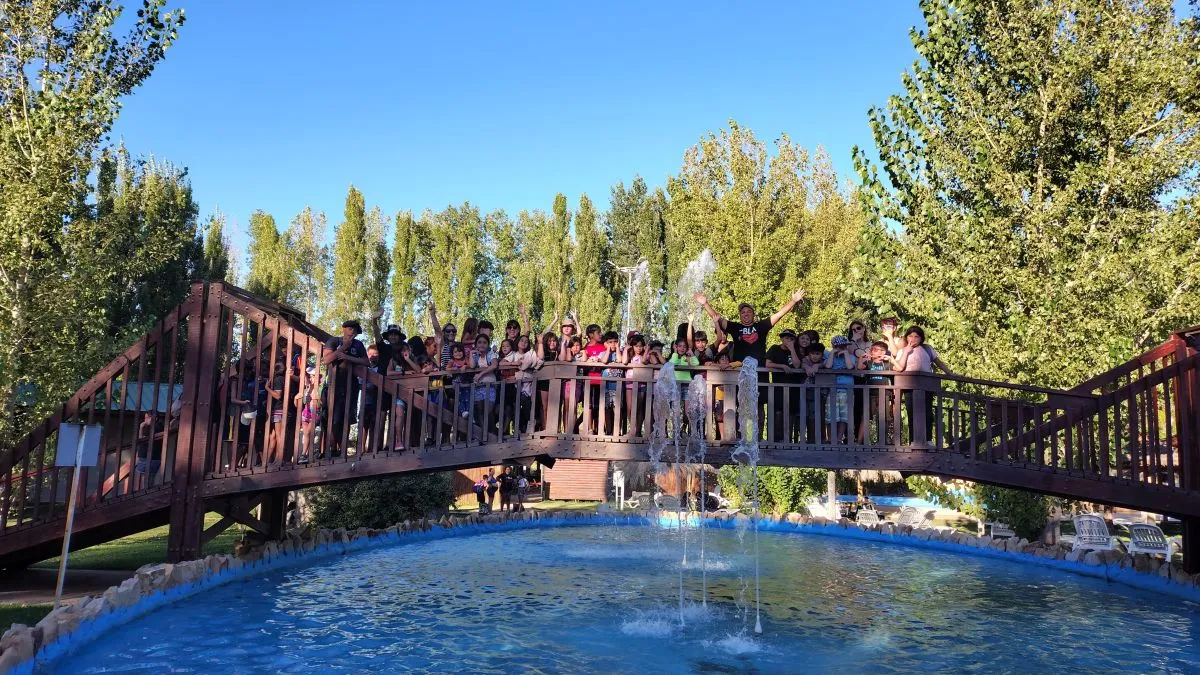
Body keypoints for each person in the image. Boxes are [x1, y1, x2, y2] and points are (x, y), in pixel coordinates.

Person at [694, 289, 807, 365]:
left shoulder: (761, 326)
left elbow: (780, 314)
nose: (746, 314)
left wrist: (793, 301)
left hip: (759, 371)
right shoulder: (735, 327)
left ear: (753, 315)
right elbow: (716, 317)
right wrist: (705, 304)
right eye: (743, 312)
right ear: (740, 315)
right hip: (740, 370)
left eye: (749, 311)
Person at [894, 325, 954, 443]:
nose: (913, 339)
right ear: (906, 337)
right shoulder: (902, 351)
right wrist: (906, 351)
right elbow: (898, 367)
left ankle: (928, 440)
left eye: (916, 336)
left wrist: (950, 374)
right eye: (910, 336)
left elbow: (938, 362)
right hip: (909, 385)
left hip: (926, 385)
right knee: (912, 413)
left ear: (921, 338)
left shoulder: (927, 349)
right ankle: (913, 441)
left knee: (927, 413)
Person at [322, 320, 369, 458]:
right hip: (334, 385)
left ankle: (342, 449)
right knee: (333, 419)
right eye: (349, 328)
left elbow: (366, 362)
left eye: (354, 329)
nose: (352, 331)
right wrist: (342, 348)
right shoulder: (334, 341)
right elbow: (326, 360)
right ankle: (332, 448)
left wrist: (348, 357)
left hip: (351, 386)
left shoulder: (358, 345)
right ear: (343, 328)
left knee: (347, 419)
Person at [766, 329, 804, 442]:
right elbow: (768, 364)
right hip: (778, 387)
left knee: (791, 412)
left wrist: (792, 349)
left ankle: (788, 439)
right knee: (778, 412)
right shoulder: (775, 348)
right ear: (782, 339)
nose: (788, 341)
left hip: (793, 387)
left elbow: (797, 365)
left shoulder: (796, 351)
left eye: (791, 339)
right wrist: (782, 366)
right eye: (786, 338)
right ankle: (776, 439)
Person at [824, 335, 858, 443]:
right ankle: (830, 439)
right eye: (839, 346)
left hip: (847, 391)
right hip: (832, 390)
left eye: (844, 346)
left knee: (844, 416)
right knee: (831, 416)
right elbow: (828, 366)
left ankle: (839, 439)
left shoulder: (851, 357)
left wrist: (846, 353)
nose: (842, 348)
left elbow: (849, 367)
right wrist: (832, 353)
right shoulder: (830, 356)